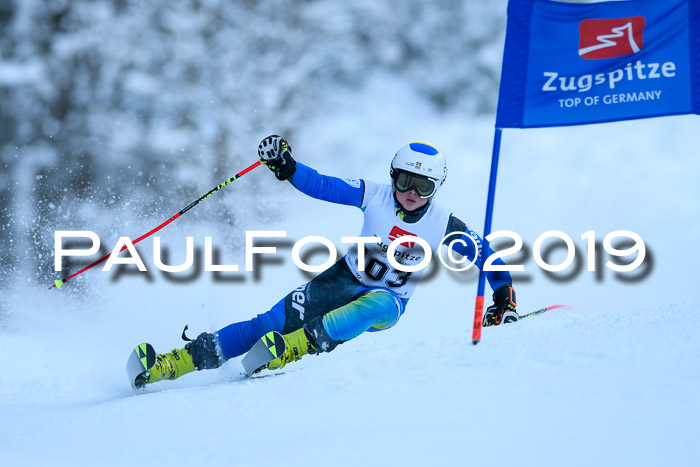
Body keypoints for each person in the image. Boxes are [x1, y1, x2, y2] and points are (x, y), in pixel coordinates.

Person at [139, 136, 517, 386]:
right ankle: (174, 363)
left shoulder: (445, 225)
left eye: (423, 187)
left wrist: (504, 296)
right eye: (404, 182)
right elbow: (323, 185)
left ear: (436, 189)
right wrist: (288, 168)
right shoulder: (376, 195)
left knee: (377, 303)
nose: (411, 194)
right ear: (393, 177)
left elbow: (489, 260)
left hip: (388, 301)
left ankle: (294, 348)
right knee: (267, 323)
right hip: (340, 279)